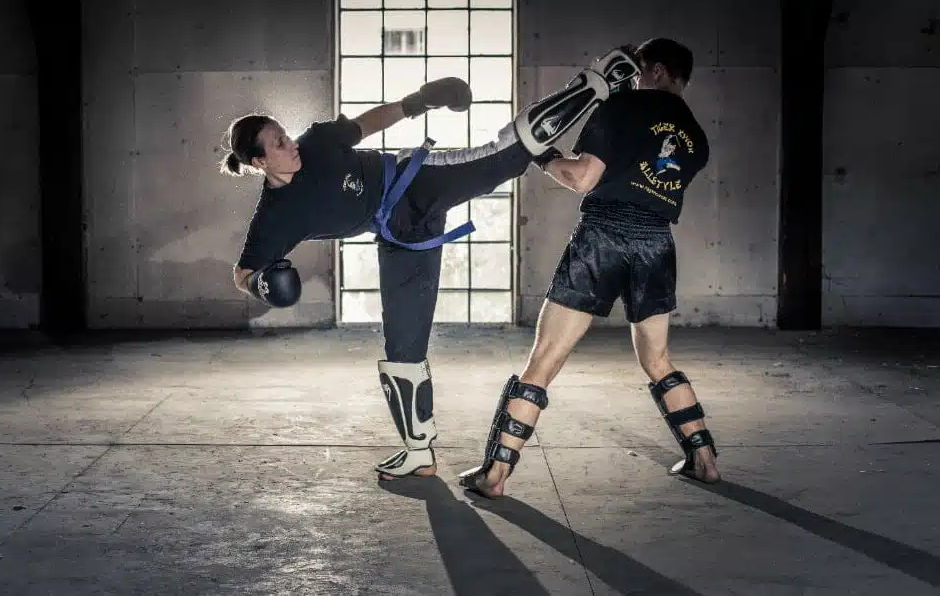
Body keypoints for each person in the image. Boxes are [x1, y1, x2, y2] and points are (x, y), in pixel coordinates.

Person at [220, 64, 636, 480]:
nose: (290, 144)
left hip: (414, 180)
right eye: (278, 143)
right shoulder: (274, 217)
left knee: (507, 155)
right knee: (403, 347)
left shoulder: (316, 144)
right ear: (259, 161)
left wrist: (420, 101)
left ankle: (601, 79)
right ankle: (419, 452)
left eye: (285, 134)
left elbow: (367, 124)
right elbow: (242, 273)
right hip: (399, 236)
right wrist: (260, 284)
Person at [458, 38, 721, 499]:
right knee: (657, 360)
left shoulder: (623, 108)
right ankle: (704, 461)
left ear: (657, 70)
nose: (631, 78)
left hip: (603, 237)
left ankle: (495, 475)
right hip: (656, 245)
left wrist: (541, 156)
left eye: (638, 70)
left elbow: (582, 178)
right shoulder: (695, 137)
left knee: (544, 359)